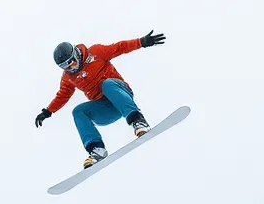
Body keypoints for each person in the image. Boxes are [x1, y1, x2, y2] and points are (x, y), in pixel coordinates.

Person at [34, 30, 166, 168]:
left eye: (72, 63)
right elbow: (63, 95)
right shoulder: (68, 77)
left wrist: (142, 42)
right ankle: (97, 149)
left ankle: (138, 121)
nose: (71, 69)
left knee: (106, 84)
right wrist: (47, 111)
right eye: (66, 67)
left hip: (120, 95)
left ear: (76, 54)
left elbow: (119, 47)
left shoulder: (96, 52)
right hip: (106, 109)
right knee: (78, 111)